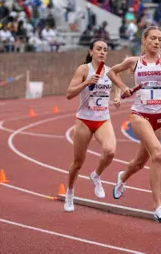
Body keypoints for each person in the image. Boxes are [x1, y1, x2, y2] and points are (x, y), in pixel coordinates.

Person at [107, 26, 161, 222]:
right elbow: (112, 72)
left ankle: (122, 177)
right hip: (140, 115)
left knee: (140, 163)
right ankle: (157, 206)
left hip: (160, 117)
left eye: (160, 39)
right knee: (157, 154)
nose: (157, 42)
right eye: (153, 38)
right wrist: (123, 88)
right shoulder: (134, 62)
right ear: (145, 40)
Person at [64, 39, 120, 212]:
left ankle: (96, 176)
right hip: (84, 120)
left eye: (105, 49)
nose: (102, 52)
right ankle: (70, 193)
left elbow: (117, 85)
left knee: (110, 151)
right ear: (91, 52)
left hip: (103, 119)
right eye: (99, 49)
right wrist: (86, 83)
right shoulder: (84, 69)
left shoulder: (110, 71)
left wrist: (117, 96)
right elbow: (69, 94)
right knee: (78, 163)